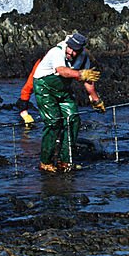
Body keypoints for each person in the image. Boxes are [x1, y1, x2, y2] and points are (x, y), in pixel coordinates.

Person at [31, 33, 104, 172]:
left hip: (62, 90)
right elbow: (63, 71)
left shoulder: (83, 58)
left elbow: (88, 81)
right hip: (44, 87)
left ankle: (66, 161)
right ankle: (45, 162)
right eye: (70, 48)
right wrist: (80, 74)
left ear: (81, 50)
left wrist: (96, 100)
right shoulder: (56, 52)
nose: (71, 52)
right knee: (54, 122)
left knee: (73, 120)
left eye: (75, 50)